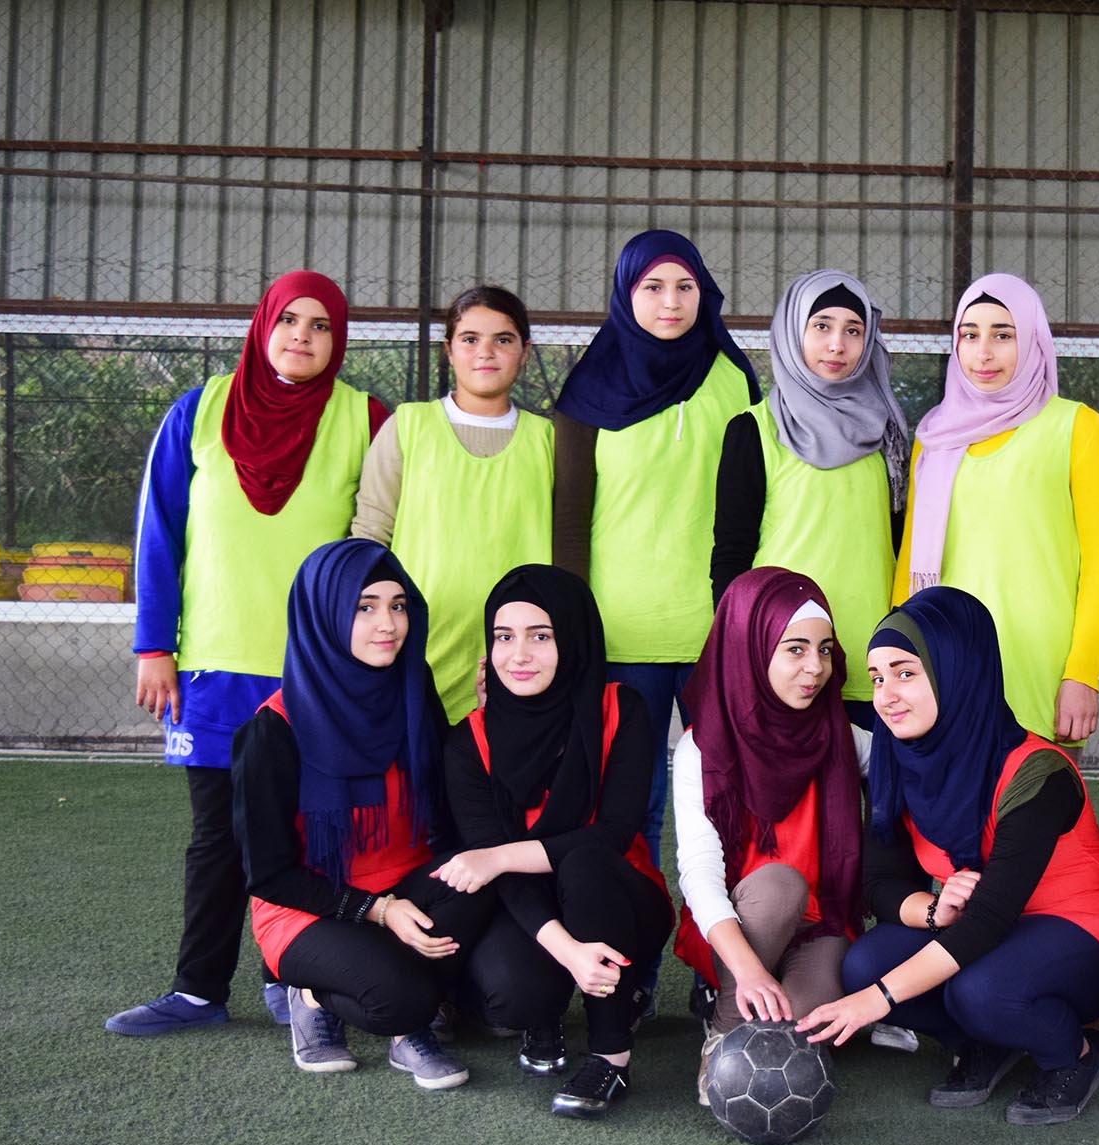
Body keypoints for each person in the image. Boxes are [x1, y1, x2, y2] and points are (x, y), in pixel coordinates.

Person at [109, 271, 387, 1036]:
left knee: (309, 831)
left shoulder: (365, 419)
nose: (302, 335)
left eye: (321, 325)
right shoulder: (197, 410)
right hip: (213, 664)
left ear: (339, 339)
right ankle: (198, 990)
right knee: (218, 835)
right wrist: (153, 645)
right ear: (263, 323)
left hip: (319, 673)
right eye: (289, 319)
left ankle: (292, 978)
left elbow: (386, 545)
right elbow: (159, 536)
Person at [797, 588, 1099, 1126]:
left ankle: (1074, 1052)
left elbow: (992, 917)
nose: (885, 695)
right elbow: (880, 881)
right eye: (877, 677)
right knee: (862, 962)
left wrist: (876, 1002)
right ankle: (988, 1043)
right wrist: (930, 912)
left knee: (982, 990)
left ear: (957, 669)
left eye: (905, 673)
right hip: (983, 929)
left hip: (1076, 927)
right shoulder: (898, 755)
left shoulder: (1037, 772)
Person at [232, 539, 484, 1088]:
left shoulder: (416, 694)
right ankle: (311, 993)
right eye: (364, 606)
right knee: (404, 998)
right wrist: (378, 911)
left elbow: (450, 811)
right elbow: (269, 875)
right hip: (307, 908)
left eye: (398, 605)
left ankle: (405, 989)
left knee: (485, 888)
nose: (387, 623)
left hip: (407, 888)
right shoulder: (271, 732)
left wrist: (501, 715)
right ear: (323, 613)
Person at [551, 228, 760, 868]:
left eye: (685, 286)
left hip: (717, 634)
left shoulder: (734, 379)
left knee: (726, 803)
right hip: (619, 634)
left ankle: (718, 961)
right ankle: (629, 959)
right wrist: (571, 628)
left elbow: (756, 505)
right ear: (624, 293)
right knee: (628, 806)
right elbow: (568, 523)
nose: (670, 302)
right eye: (652, 287)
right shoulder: (590, 386)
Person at [437, 565, 671, 1119]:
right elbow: (507, 880)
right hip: (528, 907)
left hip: (620, 897)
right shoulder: (468, 741)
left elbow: (612, 833)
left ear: (572, 638)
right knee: (514, 996)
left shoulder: (624, 709)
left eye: (540, 636)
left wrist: (495, 856)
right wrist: (567, 951)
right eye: (504, 637)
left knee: (586, 862)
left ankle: (610, 1060)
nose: (518, 655)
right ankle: (549, 1008)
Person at [891, 275, 1099, 746]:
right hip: (945, 663)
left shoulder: (1075, 427)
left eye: (1002, 334)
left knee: (1035, 812)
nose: (983, 352)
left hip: (1040, 668)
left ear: (1032, 339)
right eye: (970, 335)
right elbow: (909, 563)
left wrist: (1082, 673)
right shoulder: (933, 437)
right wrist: (897, 661)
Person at [672, 567, 869, 1103]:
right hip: (742, 922)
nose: (815, 669)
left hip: (817, 926)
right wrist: (749, 971)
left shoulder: (840, 736)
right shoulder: (703, 750)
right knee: (780, 884)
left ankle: (760, 996)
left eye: (825, 650)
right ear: (749, 648)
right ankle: (723, 1024)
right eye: (795, 649)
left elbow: (913, 762)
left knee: (804, 1024)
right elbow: (699, 871)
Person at [709, 270, 908, 728]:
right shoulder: (754, 429)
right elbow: (731, 554)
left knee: (877, 797)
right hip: (784, 663)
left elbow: (902, 547)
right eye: (821, 326)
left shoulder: (889, 434)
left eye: (853, 331)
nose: (837, 344)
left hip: (873, 662)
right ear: (792, 330)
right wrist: (741, 649)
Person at [353, 286, 552, 723]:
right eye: (469, 339)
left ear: (524, 351)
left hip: (516, 653)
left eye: (503, 339)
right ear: (449, 350)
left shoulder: (548, 440)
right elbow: (369, 539)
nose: (486, 352)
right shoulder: (408, 426)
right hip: (420, 646)